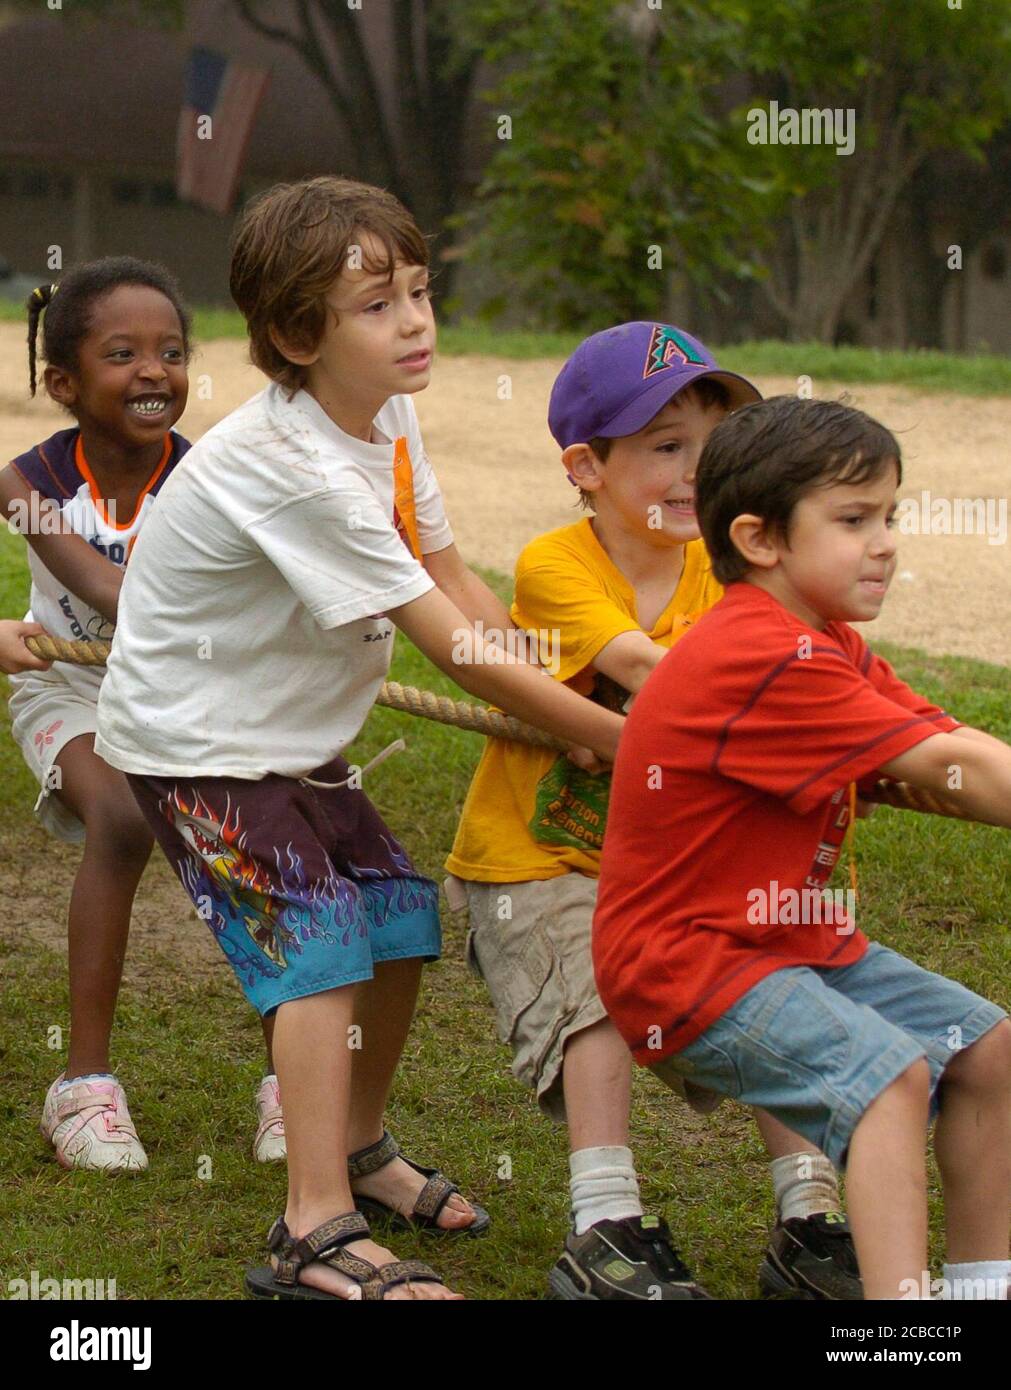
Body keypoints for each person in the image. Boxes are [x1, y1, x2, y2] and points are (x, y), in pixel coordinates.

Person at [94, 175, 625, 1301]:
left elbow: (445, 572)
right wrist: (611, 737)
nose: (418, 323)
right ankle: (312, 1228)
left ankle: (360, 1148)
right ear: (297, 334)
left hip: (290, 736)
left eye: (421, 292)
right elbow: (450, 646)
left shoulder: (381, 411)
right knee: (321, 950)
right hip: (199, 747)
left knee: (395, 922)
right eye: (379, 306)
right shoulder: (289, 470)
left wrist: (563, 692)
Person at [446, 324, 861, 1300]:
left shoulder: (732, 569)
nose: (695, 472)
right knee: (594, 997)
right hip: (536, 859)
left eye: (713, 450)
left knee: (771, 982)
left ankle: (810, 1220)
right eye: (666, 447)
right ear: (585, 466)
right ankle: (606, 1229)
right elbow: (641, 665)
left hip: (670, 868)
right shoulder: (558, 563)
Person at [593, 394, 1011, 1301]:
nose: (887, 540)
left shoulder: (830, 647)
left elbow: (956, 747)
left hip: (789, 946)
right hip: (686, 962)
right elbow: (955, 771)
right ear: (759, 539)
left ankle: (982, 1292)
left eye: (891, 515)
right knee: (886, 1076)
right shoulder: (763, 653)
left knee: (988, 1056)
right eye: (853, 519)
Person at [0, 260, 193, 1171]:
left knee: (272, 828)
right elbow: (104, 588)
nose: (154, 370)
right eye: (124, 354)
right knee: (119, 818)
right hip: (69, 689)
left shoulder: (208, 479)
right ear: (63, 385)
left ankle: (294, 1078)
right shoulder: (29, 482)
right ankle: (82, 1088)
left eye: (171, 351)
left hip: (188, 695)